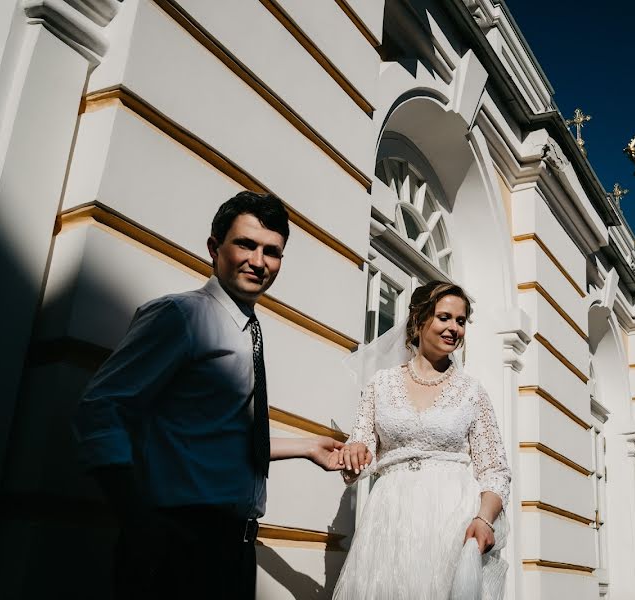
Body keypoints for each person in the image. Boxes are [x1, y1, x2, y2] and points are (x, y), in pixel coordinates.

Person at [73, 191, 344, 600]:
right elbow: (99, 410)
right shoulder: (181, 316)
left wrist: (307, 447)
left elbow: (220, 436)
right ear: (214, 248)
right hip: (178, 542)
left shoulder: (248, 329)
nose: (258, 261)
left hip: (232, 548)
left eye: (272, 252)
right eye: (246, 244)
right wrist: (138, 519)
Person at [332, 281, 511, 599]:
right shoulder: (381, 384)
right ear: (419, 319)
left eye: (460, 321)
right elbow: (362, 451)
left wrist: (484, 519)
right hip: (391, 516)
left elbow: (494, 470)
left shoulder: (472, 392)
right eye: (444, 317)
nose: (454, 328)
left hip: (452, 518)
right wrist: (355, 451)